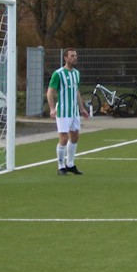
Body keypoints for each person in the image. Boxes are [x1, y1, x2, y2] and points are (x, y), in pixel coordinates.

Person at [47, 48, 90, 176]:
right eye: (72, 56)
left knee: (75, 137)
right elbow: (50, 92)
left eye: (76, 56)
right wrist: (52, 109)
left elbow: (76, 91)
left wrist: (81, 109)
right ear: (65, 58)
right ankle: (61, 166)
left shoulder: (76, 73)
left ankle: (70, 164)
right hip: (63, 112)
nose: (75, 58)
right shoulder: (58, 74)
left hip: (73, 111)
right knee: (64, 138)